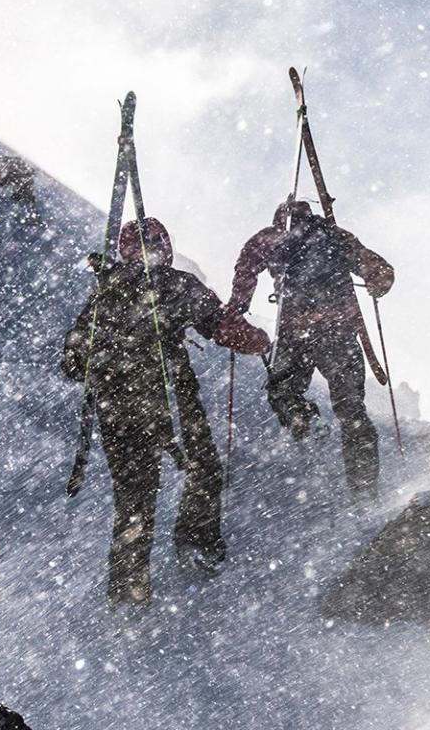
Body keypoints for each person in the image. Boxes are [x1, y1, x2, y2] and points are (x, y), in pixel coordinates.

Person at [62, 217, 268, 608]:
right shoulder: (175, 285)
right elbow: (221, 325)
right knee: (202, 467)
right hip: (167, 403)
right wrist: (257, 340)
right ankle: (196, 545)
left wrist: (103, 354)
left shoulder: (105, 293)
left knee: (135, 499)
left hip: (115, 411)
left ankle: (127, 594)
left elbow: (72, 361)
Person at [229, 201, 394, 499]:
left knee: (282, 391)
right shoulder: (334, 235)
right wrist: (377, 280)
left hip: (296, 332)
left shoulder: (272, 237)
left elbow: (246, 268)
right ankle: (364, 488)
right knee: (351, 409)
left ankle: (305, 420)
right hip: (339, 333)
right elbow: (378, 268)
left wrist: (238, 306)